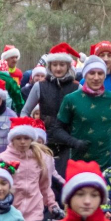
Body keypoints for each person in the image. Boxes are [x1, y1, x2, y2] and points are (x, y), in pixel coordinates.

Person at [20, 43, 82, 180]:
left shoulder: (77, 88)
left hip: (68, 142)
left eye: (62, 64)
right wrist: (31, 131)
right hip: (43, 142)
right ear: (49, 66)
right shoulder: (39, 86)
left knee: (65, 180)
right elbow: (25, 111)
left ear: (68, 66)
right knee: (43, 179)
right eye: (55, 64)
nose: (58, 68)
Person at [51, 55, 111, 169]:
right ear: (85, 75)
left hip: (107, 163)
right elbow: (57, 129)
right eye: (92, 73)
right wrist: (74, 142)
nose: (96, 77)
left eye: (100, 73)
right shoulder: (71, 99)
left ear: (104, 76)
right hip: (79, 162)